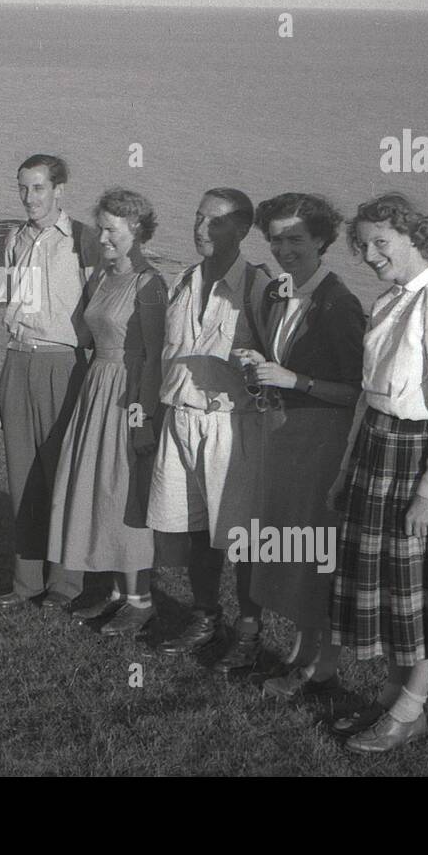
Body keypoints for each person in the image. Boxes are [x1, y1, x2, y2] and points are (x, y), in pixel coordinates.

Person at [327, 193, 428, 753]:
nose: (370, 255)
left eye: (382, 243)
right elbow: (369, 398)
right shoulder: (388, 301)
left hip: (424, 464)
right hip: (377, 453)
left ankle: (408, 710)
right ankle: (396, 705)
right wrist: (347, 466)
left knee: (418, 594)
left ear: (414, 238)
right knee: (391, 591)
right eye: (363, 244)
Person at [227, 194, 365, 701]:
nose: (284, 249)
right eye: (276, 238)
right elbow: (280, 359)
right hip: (285, 439)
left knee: (315, 555)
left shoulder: (338, 304)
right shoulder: (280, 293)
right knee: (292, 551)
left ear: (323, 241)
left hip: (322, 443)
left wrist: (294, 379)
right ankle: (303, 653)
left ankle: (319, 667)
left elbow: (356, 391)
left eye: (296, 239)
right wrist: (258, 363)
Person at [146, 187, 272, 668]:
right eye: (199, 218)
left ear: (242, 230)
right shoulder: (183, 279)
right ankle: (205, 616)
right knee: (195, 527)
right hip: (179, 419)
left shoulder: (259, 288)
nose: (201, 229)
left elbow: (276, 362)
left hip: (230, 425)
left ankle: (249, 630)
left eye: (215, 222)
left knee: (239, 535)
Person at [48, 188, 166, 636]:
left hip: (128, 393)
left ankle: (142, 600)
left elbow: (154, 356)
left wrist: (144, 417)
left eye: (111, 229)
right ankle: (118, 593)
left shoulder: (150, 284)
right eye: (99, 227)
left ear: (136, 232)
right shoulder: (100, 276)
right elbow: (84, 333)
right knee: (101, 490)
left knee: (125, 493)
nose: (101, 236)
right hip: (96, 387)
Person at [0, 154, 101, 613]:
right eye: (23, 188)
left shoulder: (84, 239)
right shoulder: (14, 238)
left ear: (60, 190)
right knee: (23, 474)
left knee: (64, 474)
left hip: (64, 363)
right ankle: (26, 582)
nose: (29, 198)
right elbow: (11, 301)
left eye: (38, 188)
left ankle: (66, 582)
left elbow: (101, 304)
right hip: (18, 361)